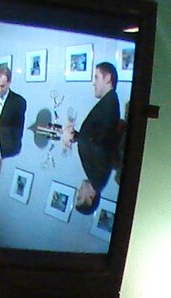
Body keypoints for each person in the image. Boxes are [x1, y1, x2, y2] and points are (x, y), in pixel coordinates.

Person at [64, 60, 124, 214]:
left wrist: (75, 137)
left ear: (107, 78)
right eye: (79, 197)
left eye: (96, 78)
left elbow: (99, 140)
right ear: (90, 198)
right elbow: (101, 142)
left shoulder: (109, 101)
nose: (94, 83)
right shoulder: (109, 102)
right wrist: (76, 137)